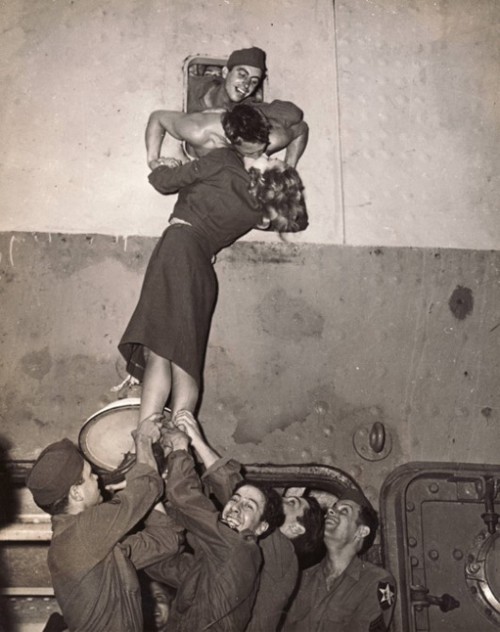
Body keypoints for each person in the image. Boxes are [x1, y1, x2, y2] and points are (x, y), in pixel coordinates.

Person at [119, 104, 308, 433]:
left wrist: (160, 165)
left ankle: (145, 440)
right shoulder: (256, 208)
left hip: (178, 249)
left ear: (267, 174)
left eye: (275, 162)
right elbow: (291, 217)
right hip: (203, 268)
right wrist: (285, 174)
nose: (276, 158)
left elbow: (166, 182)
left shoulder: (223, 161)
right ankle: (180, 437)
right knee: (186, 358)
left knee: (161, 352)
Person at [25, 416, 183, 632]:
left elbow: (167, 540)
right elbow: (146, 485)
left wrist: (145, 490)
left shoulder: (95, 548)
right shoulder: (82, 533)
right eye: (90, 475)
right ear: (76, 493)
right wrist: (143, 439)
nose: (98, 479)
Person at [172, 410, 324, 632]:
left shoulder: (283, 554)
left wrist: (195, 441)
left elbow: (236, 489)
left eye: (290, 503)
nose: (279, 500)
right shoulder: (252, 547)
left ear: (295, 527)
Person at [145, 425, 285, 631]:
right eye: (235, 499)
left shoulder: (239, 548)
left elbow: (188, 501)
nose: (236, 508)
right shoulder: (213, 558)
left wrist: (180, 447)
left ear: (261, 527)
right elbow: (166, 566)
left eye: (248, 506)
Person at [282, 489, 397, 632]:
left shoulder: (376, 582)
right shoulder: (302, 578)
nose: (330, 511)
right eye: (333, 508)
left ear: (361, 531)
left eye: (344, 511)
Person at [146, 99, 309, 168]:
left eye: (261, 150)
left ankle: (257, 106)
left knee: (295, 115)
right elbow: (158, 117)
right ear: (233, 142)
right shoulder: (198, 130)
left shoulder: (272, 139)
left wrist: (290, 167)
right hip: (207, 136)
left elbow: (301, 128)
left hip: (258, 116)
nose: (261, 156)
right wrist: (152, 160)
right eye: (252, 152)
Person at [187, 46, 267, 113]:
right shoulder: (191, 86)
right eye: (242, 75)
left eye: (254, 82)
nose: (246, 85)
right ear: (225, 72)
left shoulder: (247, 107)